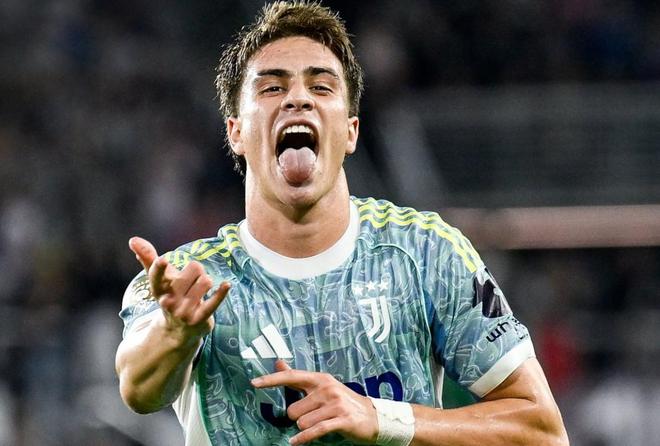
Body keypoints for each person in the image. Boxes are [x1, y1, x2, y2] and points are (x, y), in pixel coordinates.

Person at [115, 2, 569, 445]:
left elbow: (542, 430)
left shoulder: (427, 253)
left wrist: (381, 418)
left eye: (321, 86)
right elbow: (137, 388)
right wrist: (176, 332)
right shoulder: (188, 281)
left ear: (351, 131)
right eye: (271, 88)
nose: (297, 98)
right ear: (236, 132)